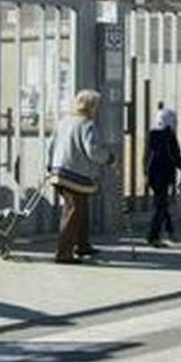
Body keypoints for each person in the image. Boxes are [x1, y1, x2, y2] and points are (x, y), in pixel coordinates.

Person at [48, 90, 109, 263]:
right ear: (91, 106)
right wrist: (109, 158)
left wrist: (50, 166)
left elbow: (51, 145)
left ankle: (82, 245)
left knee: (80, 209)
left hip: (59, 171)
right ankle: (63, 253)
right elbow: (93, 151)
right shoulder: (86, 124)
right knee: (73, 211)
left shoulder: (64, 121)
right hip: (75, 175)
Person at [143, 106, 181, 248]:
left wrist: (146, 173)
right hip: (163, 175)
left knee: (161, 203)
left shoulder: (151, 135)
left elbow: (146, 157)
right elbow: (175, 156)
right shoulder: (169, 136)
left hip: (152, 175)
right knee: (161, 206)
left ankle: (169, 229)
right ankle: (153, 236)